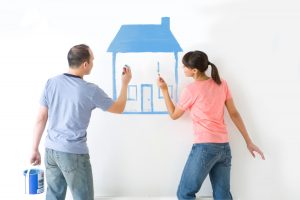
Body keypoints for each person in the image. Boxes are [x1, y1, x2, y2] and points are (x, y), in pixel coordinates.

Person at [157, 50, 265, 200]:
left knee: (184, 193)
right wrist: (248, 141)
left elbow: (174, 115)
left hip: (205, 148)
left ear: (194, 71)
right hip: (224, 148)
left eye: (184, 67)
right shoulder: (222, 84)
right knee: (223, 196)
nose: (183, 69)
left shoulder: (190, 90)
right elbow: (234, 113)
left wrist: (164, 90)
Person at [30, 44, 132, 200]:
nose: (93, 63)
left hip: (51, 150)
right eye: (92, 60)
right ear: (85, 64)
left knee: (53, 196)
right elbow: (119, 108)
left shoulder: (51, 83)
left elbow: (40, 118)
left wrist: (34, 149)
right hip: (73, 154)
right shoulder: (90, 90)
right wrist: (125, 83)